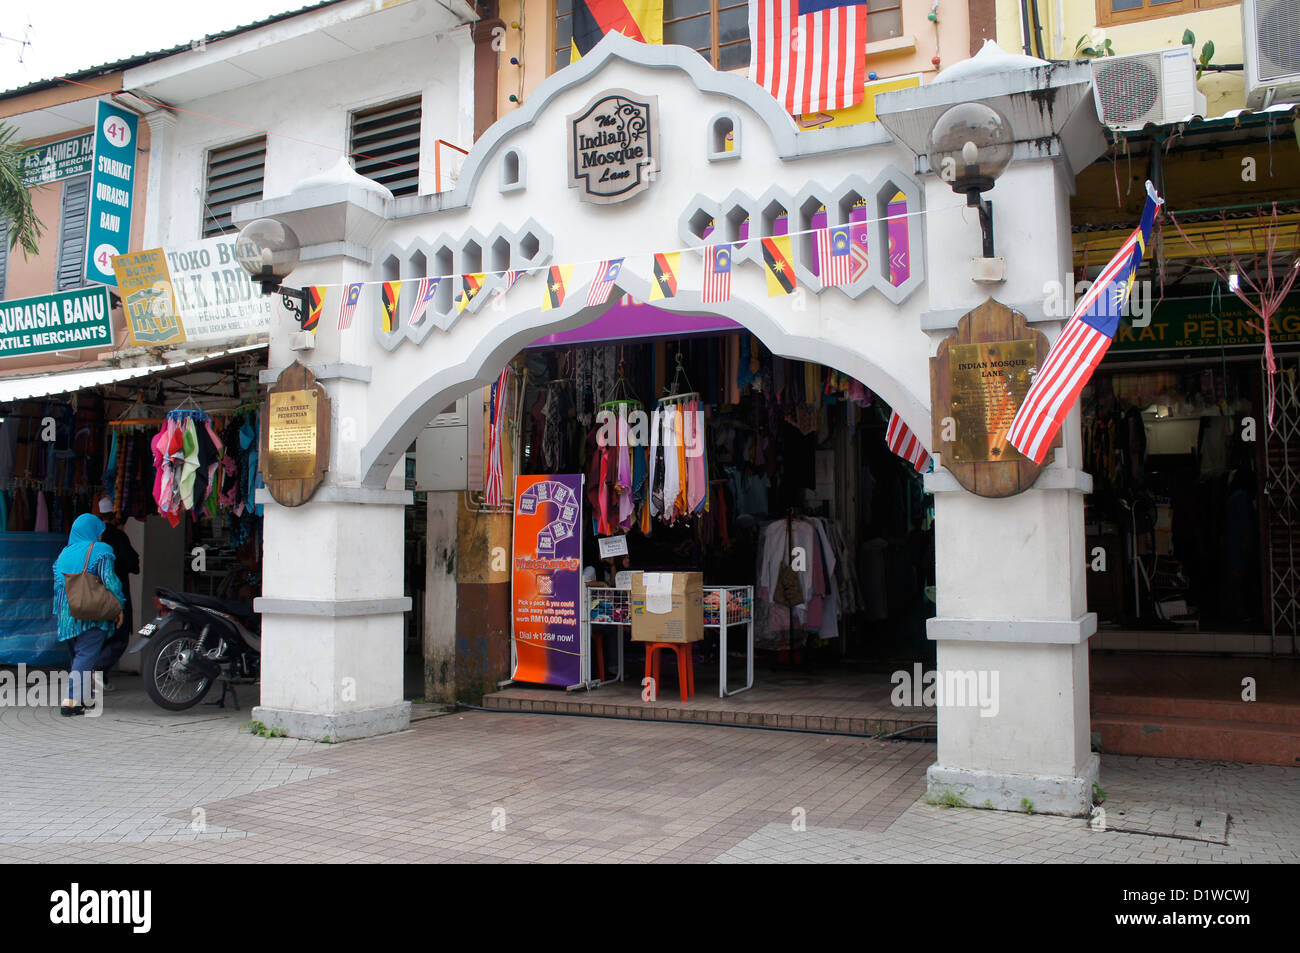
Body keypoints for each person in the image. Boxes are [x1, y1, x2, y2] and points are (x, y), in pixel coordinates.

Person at [52, 512, 124, 716]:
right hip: (91, 612)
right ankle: (71, 701)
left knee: (78, 657)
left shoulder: (63, 554)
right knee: (86, 654)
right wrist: (119, 606)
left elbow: (58, 586)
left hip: (67, 616)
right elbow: (110, 581)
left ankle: (82, 699)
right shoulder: (101, 550)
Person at [96, 497, 140, 689]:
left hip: (96, 593)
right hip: (117, 593)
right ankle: (96, 672)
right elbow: (133, 564)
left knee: (99, 636)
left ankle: (99, 677)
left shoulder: (94, 536)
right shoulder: (118, 537)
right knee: (120, 637)